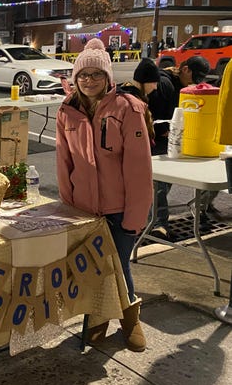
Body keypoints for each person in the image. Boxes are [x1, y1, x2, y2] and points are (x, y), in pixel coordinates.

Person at [56, 38, 152, 352]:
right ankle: (97, 317)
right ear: (75, 77)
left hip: (119, 208)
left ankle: (130, 320)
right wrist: (68, 208)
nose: (89, 80)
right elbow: (63, 161)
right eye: (83, 75)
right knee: (89, 266)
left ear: (107, 78)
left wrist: (135, 217)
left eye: (96, 74)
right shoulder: (67, 110)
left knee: (118, 266)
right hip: (83, 209)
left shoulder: (128, 108)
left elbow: (139, 169)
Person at [148, 55, 213, 239]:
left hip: (169, 139)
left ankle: (151, 218)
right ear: (185, 69)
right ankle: (158, 225)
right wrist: (164, 131)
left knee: (162, 184)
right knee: (159, 184)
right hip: (159, 140)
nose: (194, 83)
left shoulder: (179, 85)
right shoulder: (164, 82)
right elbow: (155, 113)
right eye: (194, 77)